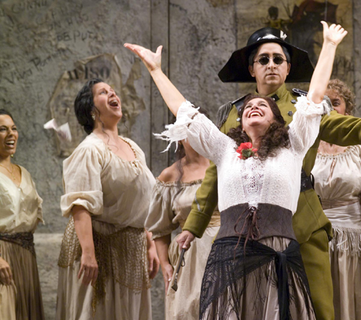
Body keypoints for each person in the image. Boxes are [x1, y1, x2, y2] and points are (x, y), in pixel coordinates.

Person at [175, 25, 361, 319]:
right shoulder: (237, 112)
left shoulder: (305, 105)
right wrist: (195, 223)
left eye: (278, 59)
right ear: (251, 68)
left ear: (288, 67)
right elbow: (217, 171)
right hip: (250, 229)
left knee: (318, 309)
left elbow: (353, 128)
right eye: (263, 59)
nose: (271, 65)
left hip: (303, 221)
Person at [126, 21, 347, 319]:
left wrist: (330, 45)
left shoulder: (293, 145)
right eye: (248, 107)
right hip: (231, 255)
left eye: (263, 106)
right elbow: (183, 110)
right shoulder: (224, 149)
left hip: (278, 253)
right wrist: (155, 70)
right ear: (239, 122)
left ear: (278, 120)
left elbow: (315, 97)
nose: (253, 107)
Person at [55, 79, 159, 320]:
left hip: (129, 248)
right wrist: (89, 254)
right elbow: (80, 204)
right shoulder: (89, 149)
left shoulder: (133, 147)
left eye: (113, 91)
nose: (113, 94)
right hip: (98, 246)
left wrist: (150, 243)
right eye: (104, 92)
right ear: (92, 110)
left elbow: (142, 200)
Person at [312, 79, 361, 319]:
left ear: (347, 110)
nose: (328, 108)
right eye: (322, 103)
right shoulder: (307, 149)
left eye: (335, 103)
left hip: (353, 242)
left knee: (352, 304)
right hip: (316, 240)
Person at [145, 134, 220, 318]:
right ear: (179, 137)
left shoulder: (221, 165)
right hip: (189, 252)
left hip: (222, 243)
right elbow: (160, 228)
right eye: (190, 130)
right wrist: (165, 265)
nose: (196, 134)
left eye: (199, 128)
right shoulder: (170, 175)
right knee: (189, 308)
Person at [0, 109, 45, 319]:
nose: (11, 134)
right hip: (3, 258)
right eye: (2, 129)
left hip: (26, 255)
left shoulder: (24, 172)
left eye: (14, 128)